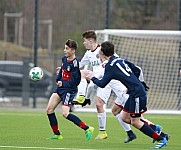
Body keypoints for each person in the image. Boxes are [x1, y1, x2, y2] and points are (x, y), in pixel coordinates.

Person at [86, 41, 169, 149]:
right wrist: (141, 83)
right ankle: (154, 129)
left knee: (135, 122)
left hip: (137, 94)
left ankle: (161, 139)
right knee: (125, 117)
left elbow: (102, 84)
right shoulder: (120, 60)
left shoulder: (109, 67)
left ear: (102, 54)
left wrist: (92, 77)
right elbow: (138, 70)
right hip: (133, 92)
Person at [46, 39, 94, 141]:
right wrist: (58, 79)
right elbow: (62, 71)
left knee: (65, 113)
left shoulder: (75, 64)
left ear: (73, 50)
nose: (64, 50)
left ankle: (87, 128)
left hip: (69, 90)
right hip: (60, 88)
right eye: (65, 48)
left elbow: (75, 81)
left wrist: (63, 83)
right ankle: (57, 134)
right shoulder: (64, 59)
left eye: (67, 49)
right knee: (49, 110)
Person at [72, 30, 112, 140]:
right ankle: (103, 132)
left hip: (106, 82)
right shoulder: (88, 53)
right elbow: (79, 65)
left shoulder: (102, 50)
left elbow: (113, 60)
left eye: (84, 41)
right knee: (81, 74)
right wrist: (64, 69)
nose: (83, 43)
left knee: (121, 111)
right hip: (95, 80)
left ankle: (83, 98)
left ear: (90, 41)